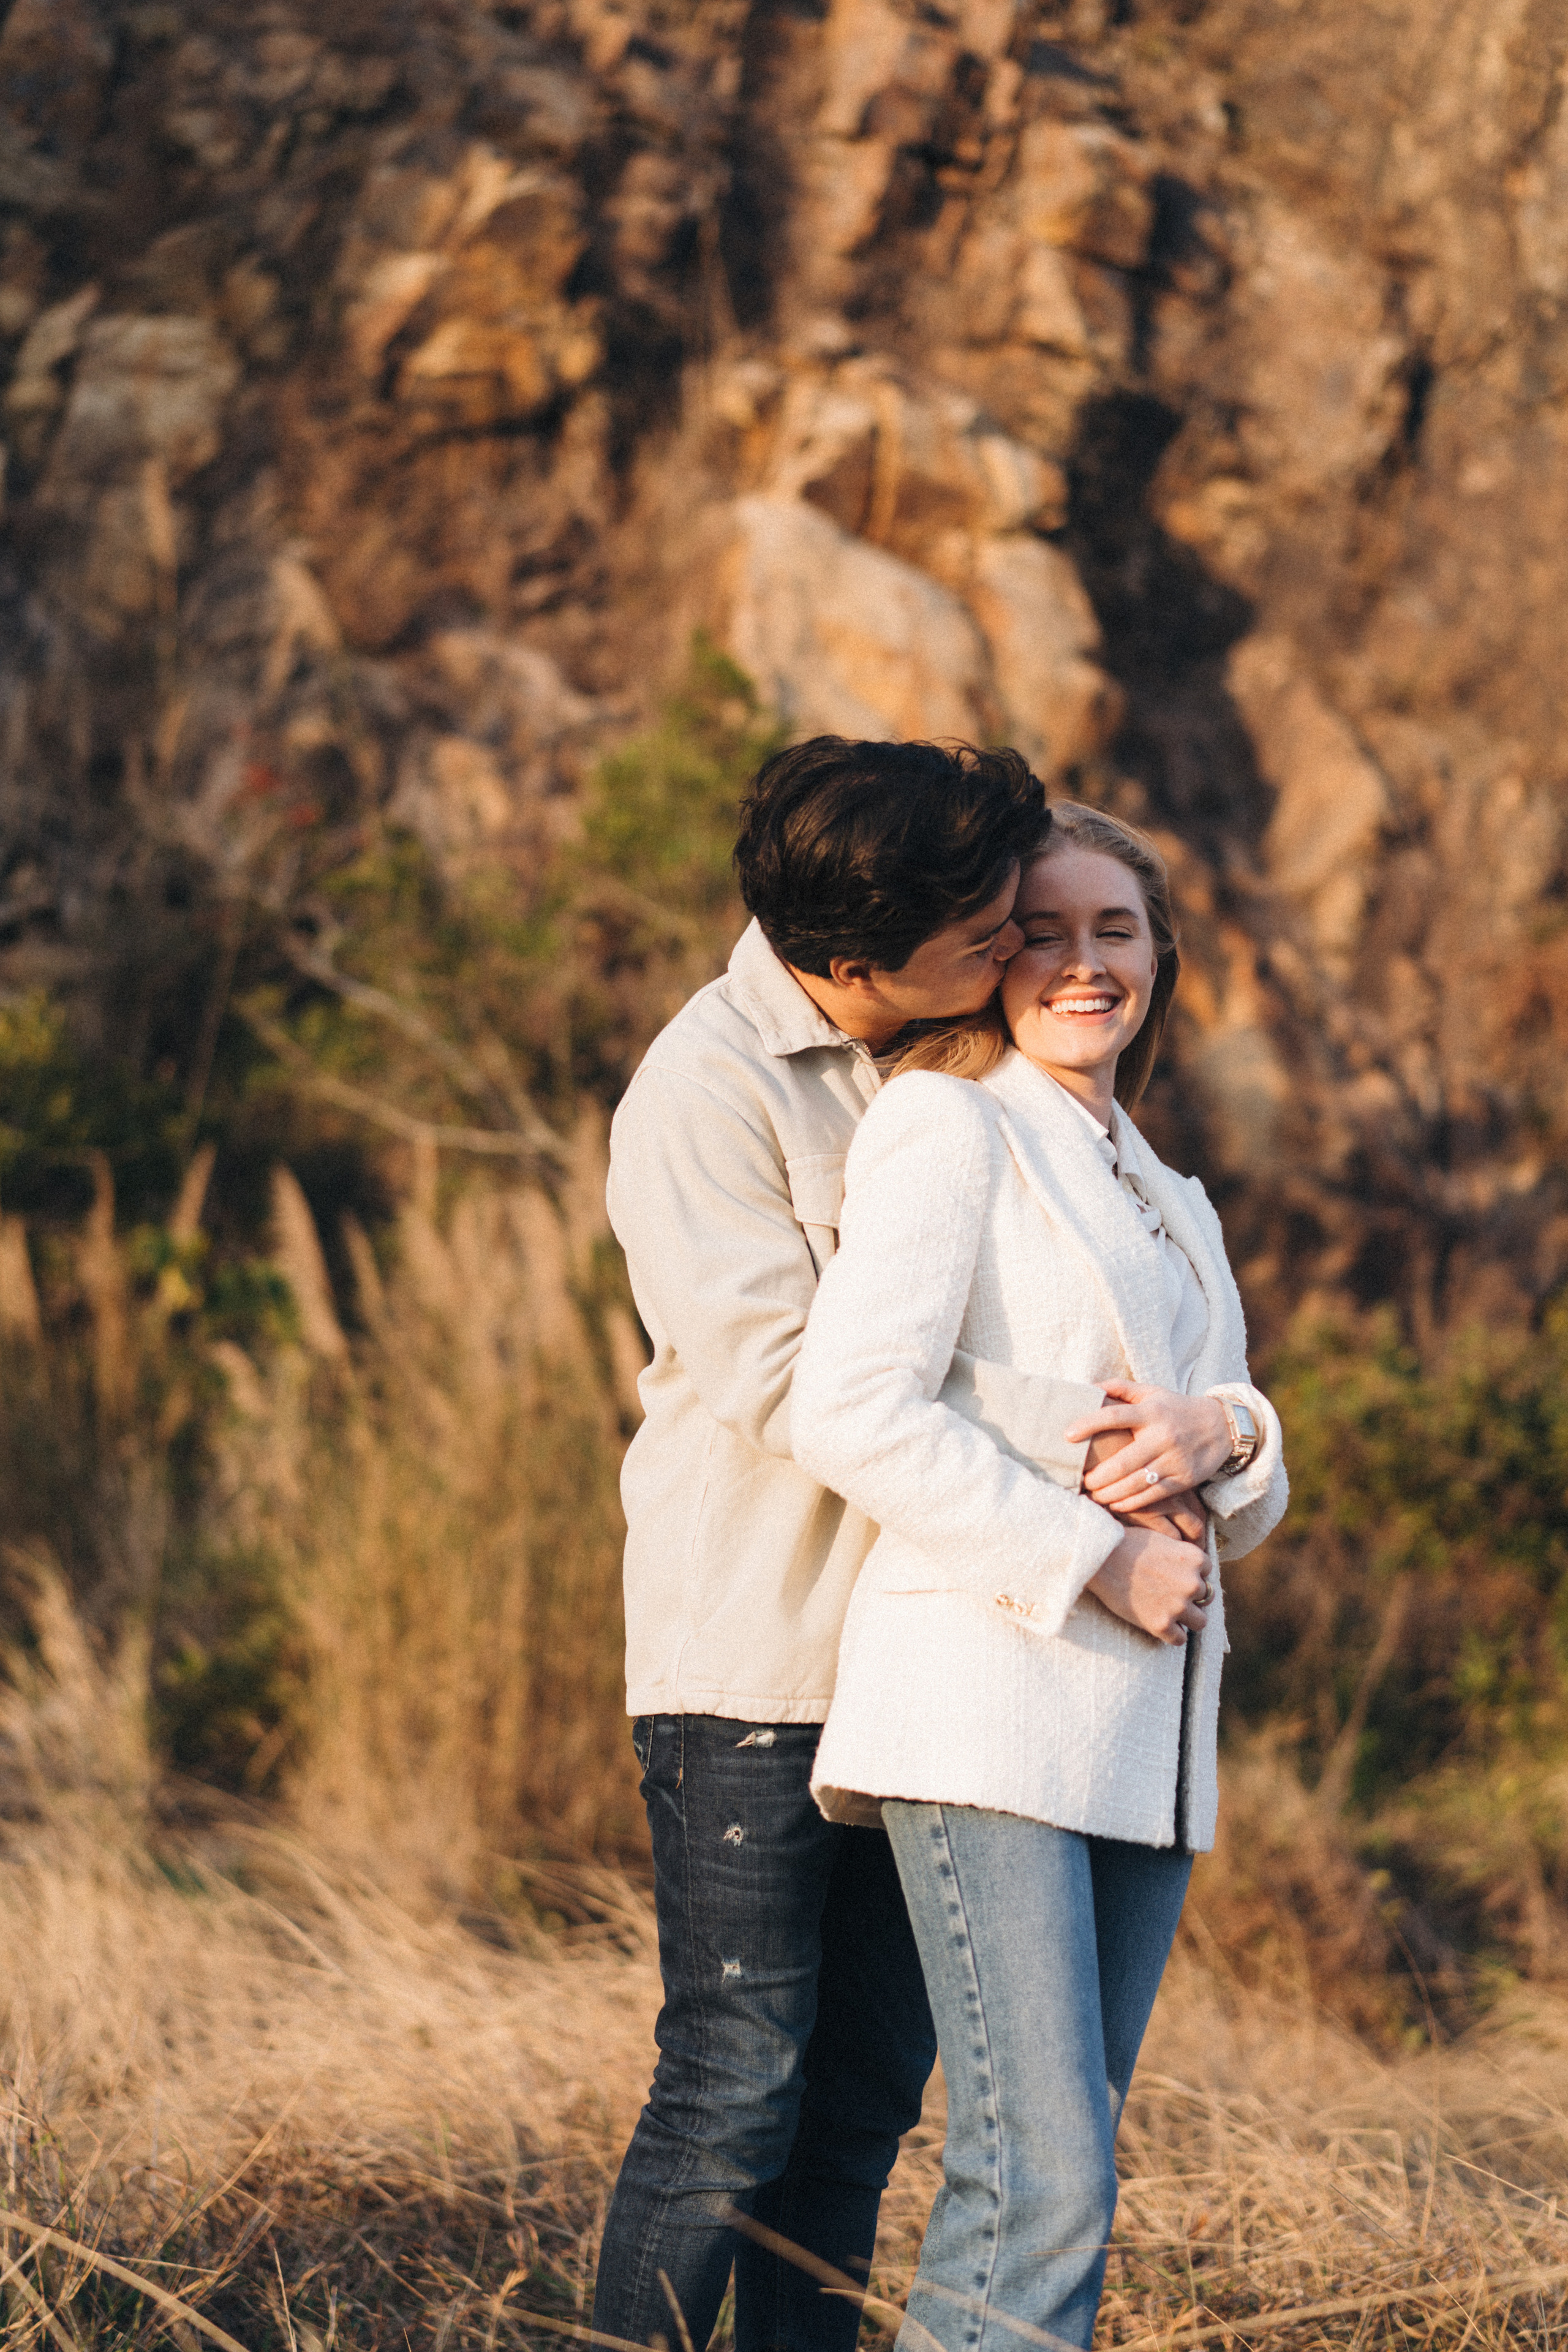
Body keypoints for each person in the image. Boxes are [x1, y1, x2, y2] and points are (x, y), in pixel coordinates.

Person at [595, 744, 1226, 2352]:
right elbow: (804, 1391)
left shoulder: (955, 1058)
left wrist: (1223, 1432)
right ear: (857, 962)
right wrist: (1111, 1470)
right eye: (995, 930)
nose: (1026, 944)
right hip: (758, 1647)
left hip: (932, 1661)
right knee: (737, 2081)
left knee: (865, 2105)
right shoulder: (709, 1087)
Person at [791, 801, 1289, 2352]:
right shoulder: (952, 1127)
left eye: (1115, 930)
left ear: (1158, 955)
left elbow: (1230, 1494)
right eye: (1043, 932)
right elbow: (848, 1410)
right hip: (987, 1708)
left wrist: (1234, 1429)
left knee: (1061, 2166)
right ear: (991, 961)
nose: (1083, 962)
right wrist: (1094, 1563)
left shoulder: (1173, 1194)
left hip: (1146, 1746)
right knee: (1040, 2175)